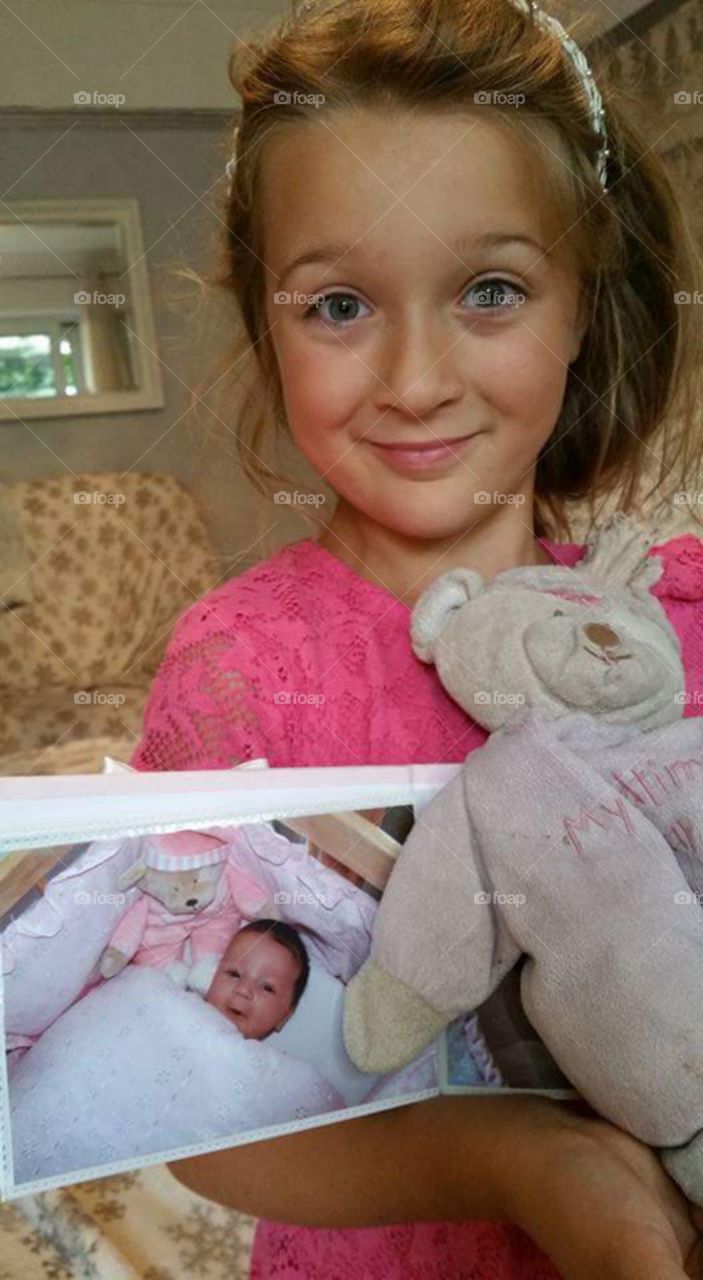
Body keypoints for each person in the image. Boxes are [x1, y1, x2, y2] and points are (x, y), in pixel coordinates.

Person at [129, 0, 703, 1274]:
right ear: (264, 323)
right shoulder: (241, 672)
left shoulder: (672, 618)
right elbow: (195, 1113)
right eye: (339, 304)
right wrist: (513, 1157)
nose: (415, 376)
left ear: (585, 306)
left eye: (490, 289)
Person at [205, 919, 310, 1040]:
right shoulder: (181, 1008)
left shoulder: (266, 1058)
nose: (243, 990)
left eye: (267, 988)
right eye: (234, 974)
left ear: (284, 1017)